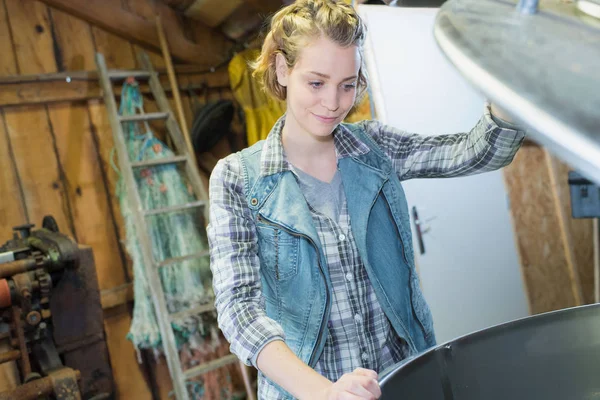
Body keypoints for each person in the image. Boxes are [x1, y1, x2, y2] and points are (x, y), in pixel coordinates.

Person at [207, 1, 525, 399]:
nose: (333, 103)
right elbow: (239, 310)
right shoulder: (238, 178)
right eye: (316, 83)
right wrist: (323, 392)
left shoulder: (374, 148)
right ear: (283, 69)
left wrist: (513, 77)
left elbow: (476, 151)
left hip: (404, 380)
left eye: (348, 84)